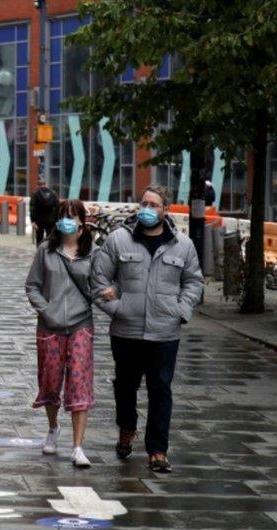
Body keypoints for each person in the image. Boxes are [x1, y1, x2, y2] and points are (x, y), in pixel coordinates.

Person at [90, 185, 204, 473]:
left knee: (160, 389)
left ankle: (158, 450)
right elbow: (98, 278)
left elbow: (193, 281)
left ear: (165, 210)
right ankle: (127, 429)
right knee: (125, 387)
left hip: (165, 332)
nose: (148, 209)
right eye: (144, 203)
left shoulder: (182, 245)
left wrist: (182, 310)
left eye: (154, 205)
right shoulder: (119, 239)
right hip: (125, 331)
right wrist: (117, 308)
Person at [25, 199, 99, 468]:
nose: (66, 221)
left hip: (81, 325)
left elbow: (100, 286)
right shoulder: (46, 251)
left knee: (79, 382)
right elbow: (32, 286)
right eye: (62, 216)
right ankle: (53, 427)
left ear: (81, 223)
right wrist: (46, 310)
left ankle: (78, 446)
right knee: (50, 381)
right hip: (49, 327)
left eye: (71, 216)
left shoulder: (93, 253)